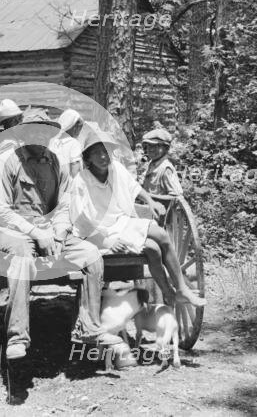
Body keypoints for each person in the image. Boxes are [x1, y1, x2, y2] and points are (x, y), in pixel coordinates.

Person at [0, 108, 123, 360]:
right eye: (34, 131)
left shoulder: (55, 161)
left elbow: (64, 203)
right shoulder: (6, 162)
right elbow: (1, 212)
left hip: (51, 231)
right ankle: (18, 337)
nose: (40, 136)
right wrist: (36, 233)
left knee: (92, 255)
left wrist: (60, 232)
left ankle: (89, 328)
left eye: (45, 132)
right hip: (15, 230)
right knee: (21, 258)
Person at [70, 130, 206, 308]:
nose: (103, 156)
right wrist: (108, 241)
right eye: (97, 152)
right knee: (152, 249)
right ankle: (168, 293)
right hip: (99, 232)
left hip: (121, 222)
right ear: (88, 158)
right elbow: (81, 220)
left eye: (106, 151)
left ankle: (180, 289)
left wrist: (151, 202)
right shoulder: (81, 181)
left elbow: (134, 188)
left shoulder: (116, 169)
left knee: (161, 236)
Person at [141, 128, 183, 196]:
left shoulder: (165, 169)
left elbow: (176, 196)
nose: (151, 149)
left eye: (156, 146)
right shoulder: (152, 163)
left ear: (166, 148)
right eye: (149, 146)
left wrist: (149, 197)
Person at [49, 109, 84, 177]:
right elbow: (75, 168)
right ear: (74, 127)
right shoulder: (73, 143)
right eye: (79, 127)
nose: (79, 131)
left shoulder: (52, 142)